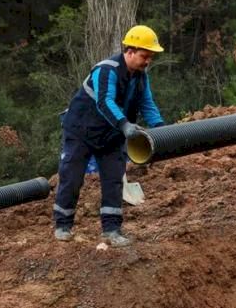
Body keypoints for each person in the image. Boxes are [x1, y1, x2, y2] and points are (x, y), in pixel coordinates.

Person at [52, 25, 165, 247]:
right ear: (129, 51)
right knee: (71, 177)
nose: (148, 61)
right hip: (81, 131)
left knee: (114, 180)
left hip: (111, 135)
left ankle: (111, 230)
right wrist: (125, 125)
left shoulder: (141, 77)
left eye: (150, 57)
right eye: (144, 56)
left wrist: (161, 129)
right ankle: (62, 226)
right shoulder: (107, 70)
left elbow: (147, 104)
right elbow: (105, 101)